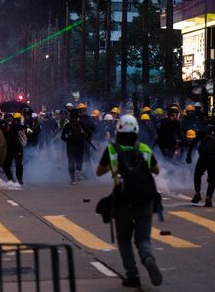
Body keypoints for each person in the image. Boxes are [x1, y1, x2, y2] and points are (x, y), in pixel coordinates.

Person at [96, 115, 162, 288]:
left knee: (124, 240)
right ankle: (148, 258)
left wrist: (116, 167)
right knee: (143, 239)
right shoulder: (144, 148)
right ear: (136, 130)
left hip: (123, 200)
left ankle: (132, 275)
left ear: (118, 129)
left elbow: (99, 171)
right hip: (145, 201)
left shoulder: (112, 149)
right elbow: (156, 170)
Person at [186, 119, 215, 207]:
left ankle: (197, 193)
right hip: (213, 160)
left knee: (197, 175)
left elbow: (193, 144)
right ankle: (208, 197)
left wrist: (189, 156)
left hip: (202, 158)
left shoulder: (203, 132)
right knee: (212, 180)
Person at [61, 108, 87, 184]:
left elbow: (62, 137)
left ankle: (73, 178)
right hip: (76, 146)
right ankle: (76, 174)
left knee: (72, 161)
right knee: (76, 161)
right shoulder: (80, 124)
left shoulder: (69, 125)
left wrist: (68, 140)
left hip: (73, 146)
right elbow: (87, 135)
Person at [2, 113, 26, 185]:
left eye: (11, 119)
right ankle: (11, 180)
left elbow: (21, 127)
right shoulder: (5, 127)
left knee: (18, 164)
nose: (10, 120)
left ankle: (20, 180)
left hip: (18, 149)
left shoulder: (17, 127)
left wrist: (11, 126)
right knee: (5, 166)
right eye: (8, 119)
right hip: (9, 150)